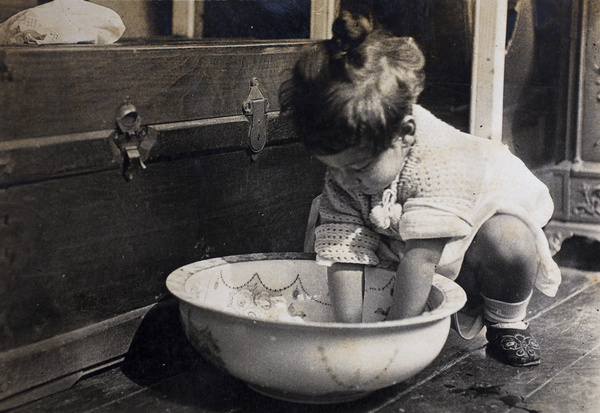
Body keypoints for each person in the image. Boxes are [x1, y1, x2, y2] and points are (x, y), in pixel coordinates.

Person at [278, 12, 561, 368]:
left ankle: (507, 323)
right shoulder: (351, 171)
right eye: (333, 167)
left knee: (509, 240)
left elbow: (422, 257)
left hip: (470, 228)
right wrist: (347, 333)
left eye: (357, 167)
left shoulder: (443, 159)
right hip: (399, 232)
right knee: (330, 221)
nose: (344, 180)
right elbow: (344, 252)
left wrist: (394, 341)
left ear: (405, 134)